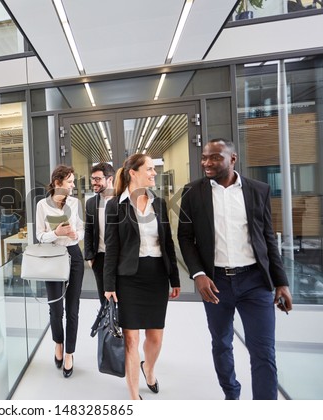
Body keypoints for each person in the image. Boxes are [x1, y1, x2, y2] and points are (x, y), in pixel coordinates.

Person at [177, 138, 293, 400]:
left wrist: (281, 282)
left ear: (232, 159)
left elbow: (267, 239)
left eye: (215, 157)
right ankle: (232, 396)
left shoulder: (258, 190)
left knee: (263, 350)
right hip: (216, 282)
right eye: (205, 157)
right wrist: (199, 274)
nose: (207, 162)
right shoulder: (192, 192)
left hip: (255, 281)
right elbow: (185, 237)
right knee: (221, 343)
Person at [103, 154, 180, 400]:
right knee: (130, 338)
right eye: (149, 169)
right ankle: (134, 396)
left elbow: (168, 242)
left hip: (156, 276)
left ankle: (149, 368)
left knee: (155, 336)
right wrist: (109, 284)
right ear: (133, 172)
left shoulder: (160, 203)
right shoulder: (115, 205)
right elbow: (111, 248)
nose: (154, 173)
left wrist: (175, 279)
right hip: (129, 279)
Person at [35, 164, 85, 378]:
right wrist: (55, 232)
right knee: (56, 309)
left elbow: (82, 230)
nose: (73, 186)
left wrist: (75, 235)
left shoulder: (75, 203)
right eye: (70, 182)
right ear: (58, 183)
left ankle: (70, 353)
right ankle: (58, 343)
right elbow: (39, 236)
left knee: (72, 309)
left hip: (73, 256)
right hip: (52, 257)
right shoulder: (41, 206)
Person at [84, 162, 116, 305]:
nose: (94, 183)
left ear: (110, 179)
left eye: (98, 179)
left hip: (120, 259)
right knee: (104, 303)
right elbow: (88, 230)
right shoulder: (91, 203)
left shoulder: (122, 200)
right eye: (92, 179)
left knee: (122, 303)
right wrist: (90, 256)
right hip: (100, 258)